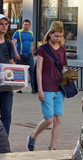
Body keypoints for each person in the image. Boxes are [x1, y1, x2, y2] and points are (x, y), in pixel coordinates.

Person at [29, 20, 68, 151]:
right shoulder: (42, 49)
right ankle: (33, 136)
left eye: (61, 36)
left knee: (58, 118)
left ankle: (53, 147)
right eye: (56, 36)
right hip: (46, 87)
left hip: (59, 88)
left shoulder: (62, 49)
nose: (58, 39)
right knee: (49, 119)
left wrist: (68, 74)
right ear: (50, 34)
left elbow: (63, 67)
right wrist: (39, 89)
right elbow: (38, 70)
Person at [12, 18, 37, 93]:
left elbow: (32, 44)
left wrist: (32, 54)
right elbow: (13, 44)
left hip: (28, 55)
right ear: (22, 25)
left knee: (32, 71)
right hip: (20, 55)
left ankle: (34, 88)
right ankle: (18, 88)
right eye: (25, 24)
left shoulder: (31, 33)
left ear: (29, 26)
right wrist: (16, 54)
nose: (26, 26)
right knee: (19, 71)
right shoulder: (18, 33)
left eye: (27, 25)